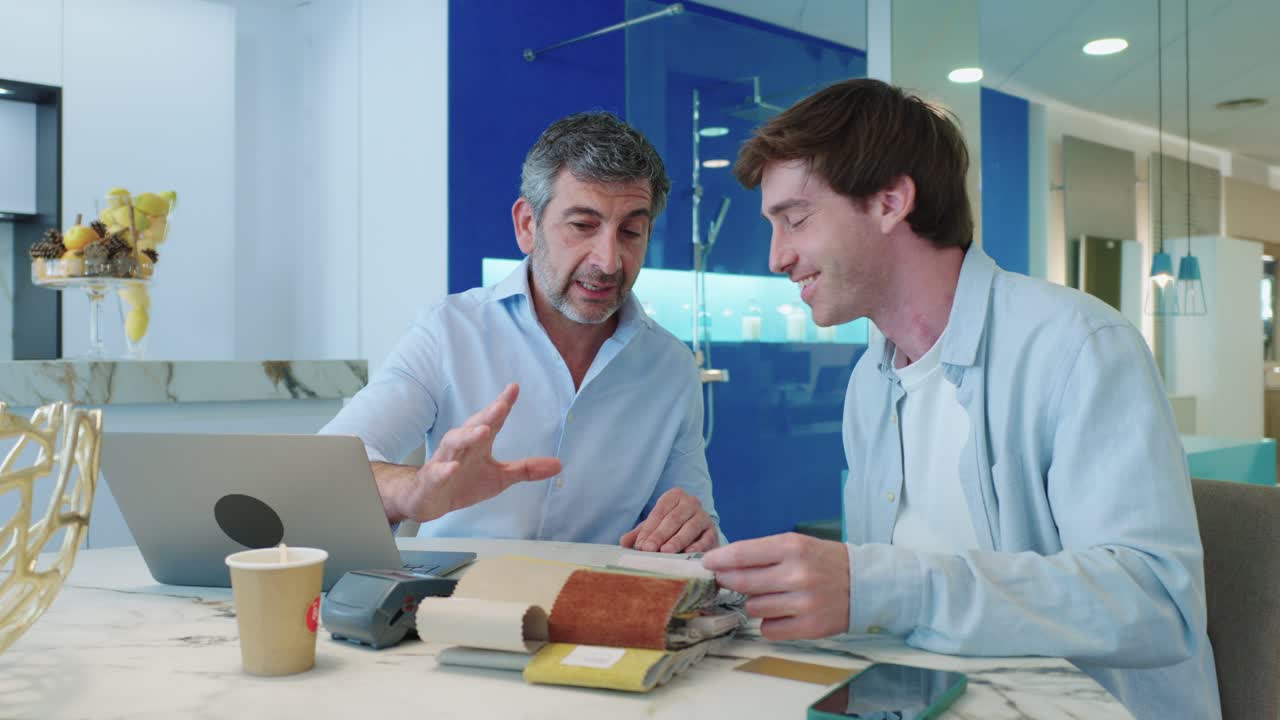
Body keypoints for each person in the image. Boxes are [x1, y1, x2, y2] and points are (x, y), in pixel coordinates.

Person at [701, 79, 1220, 719]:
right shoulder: (869, 383)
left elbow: (1158, 603)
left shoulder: (1078, 345)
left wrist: (883, 586)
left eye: (796, 219)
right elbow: (888, 619)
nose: (777, 257)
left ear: (890, 201)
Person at [322, 111, 721, 554]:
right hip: (459, 591)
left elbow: (696, 530)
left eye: (631, 232)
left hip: (597, 593)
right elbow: (331, 464)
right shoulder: (450, 332)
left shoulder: (671, 367)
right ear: (527, 225)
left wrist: (695, 532)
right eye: (583, 226)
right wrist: (414, 490)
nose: (608, 261)